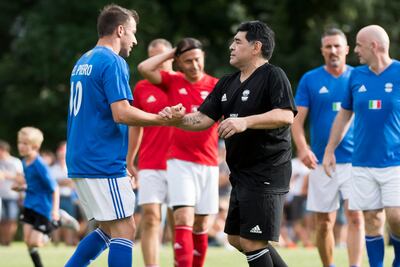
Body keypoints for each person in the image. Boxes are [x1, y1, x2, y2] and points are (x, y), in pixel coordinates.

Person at [160, 20, 297, 267]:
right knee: (236, 238)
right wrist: (175, 119)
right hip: (241, 173)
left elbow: (286, 115)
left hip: (267, 170)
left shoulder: (273, 75)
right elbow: (201, 119)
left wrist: (245, 122)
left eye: (237, 41)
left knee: (253, 241)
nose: (231, 46)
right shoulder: (226, 82)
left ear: (256, 47)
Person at [64, 4, 182, 267]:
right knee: (125, 230)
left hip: (81, 157)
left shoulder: (84, 60)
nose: (135, 39)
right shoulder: (113, 61)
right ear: (120, 30)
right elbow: (121, 113)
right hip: (101, 159)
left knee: (108, 230)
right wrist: (160, 118)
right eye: (133, 32)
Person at [323, 25, 400, 267]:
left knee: (396, 218)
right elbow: (344, 115)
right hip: (363, 161)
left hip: (395, 161)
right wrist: (329, 150)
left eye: (358, 45)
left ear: (374, 46)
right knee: (371, 219)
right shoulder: (356, 76)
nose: (355, 50)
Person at [138, 37, 219, 267]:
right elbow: (144, 68)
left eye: (197, 59)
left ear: (204, 58)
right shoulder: (173, 81)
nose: (194, 65)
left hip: (209, 162)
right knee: (182, 217)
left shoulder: (216, 85)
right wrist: (173, 52)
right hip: (179, 162)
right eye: (188, 61)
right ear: (179, 63)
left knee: (202, 226)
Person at [291, 28, 364, 267]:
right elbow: (297, 122)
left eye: (337, 46)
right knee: (324, 222)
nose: (333, 50)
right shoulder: (310, 79)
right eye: (328, 46)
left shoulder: (359, 77)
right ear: (322, 50)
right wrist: (302, 149)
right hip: (322, 162)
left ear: (346, 49)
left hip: (356, 160)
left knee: (355, 216)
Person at [126, 38, 174, 267]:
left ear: (171, 57)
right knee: (151, 218)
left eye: (161, 57)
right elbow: (135, 126)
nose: (156, 62)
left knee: (180, 221)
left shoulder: (183, 82)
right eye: (152, 57)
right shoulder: (142, 87)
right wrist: (130, 159)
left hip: (180, 163)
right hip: (151, 162)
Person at [16, 127, 60, 267]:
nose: (20, 146)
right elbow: (34, 185)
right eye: (20, 142)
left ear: (35, 146)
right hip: (29, 205)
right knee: (28, 243)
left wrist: (54, 210)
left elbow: (55, 188)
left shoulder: (40, 164)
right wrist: (22, 187)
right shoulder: (24, 162)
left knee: (35, 242)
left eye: (25, 143)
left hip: (43, 207)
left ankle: (57, 222)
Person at [0, 140, 23, 246]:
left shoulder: (15, 162)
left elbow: (21, 179)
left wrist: (6, 175)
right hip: (1, 195)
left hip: (12, 195)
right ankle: (3, 241)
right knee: (2, 220)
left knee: (11, 219)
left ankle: (8, 240)